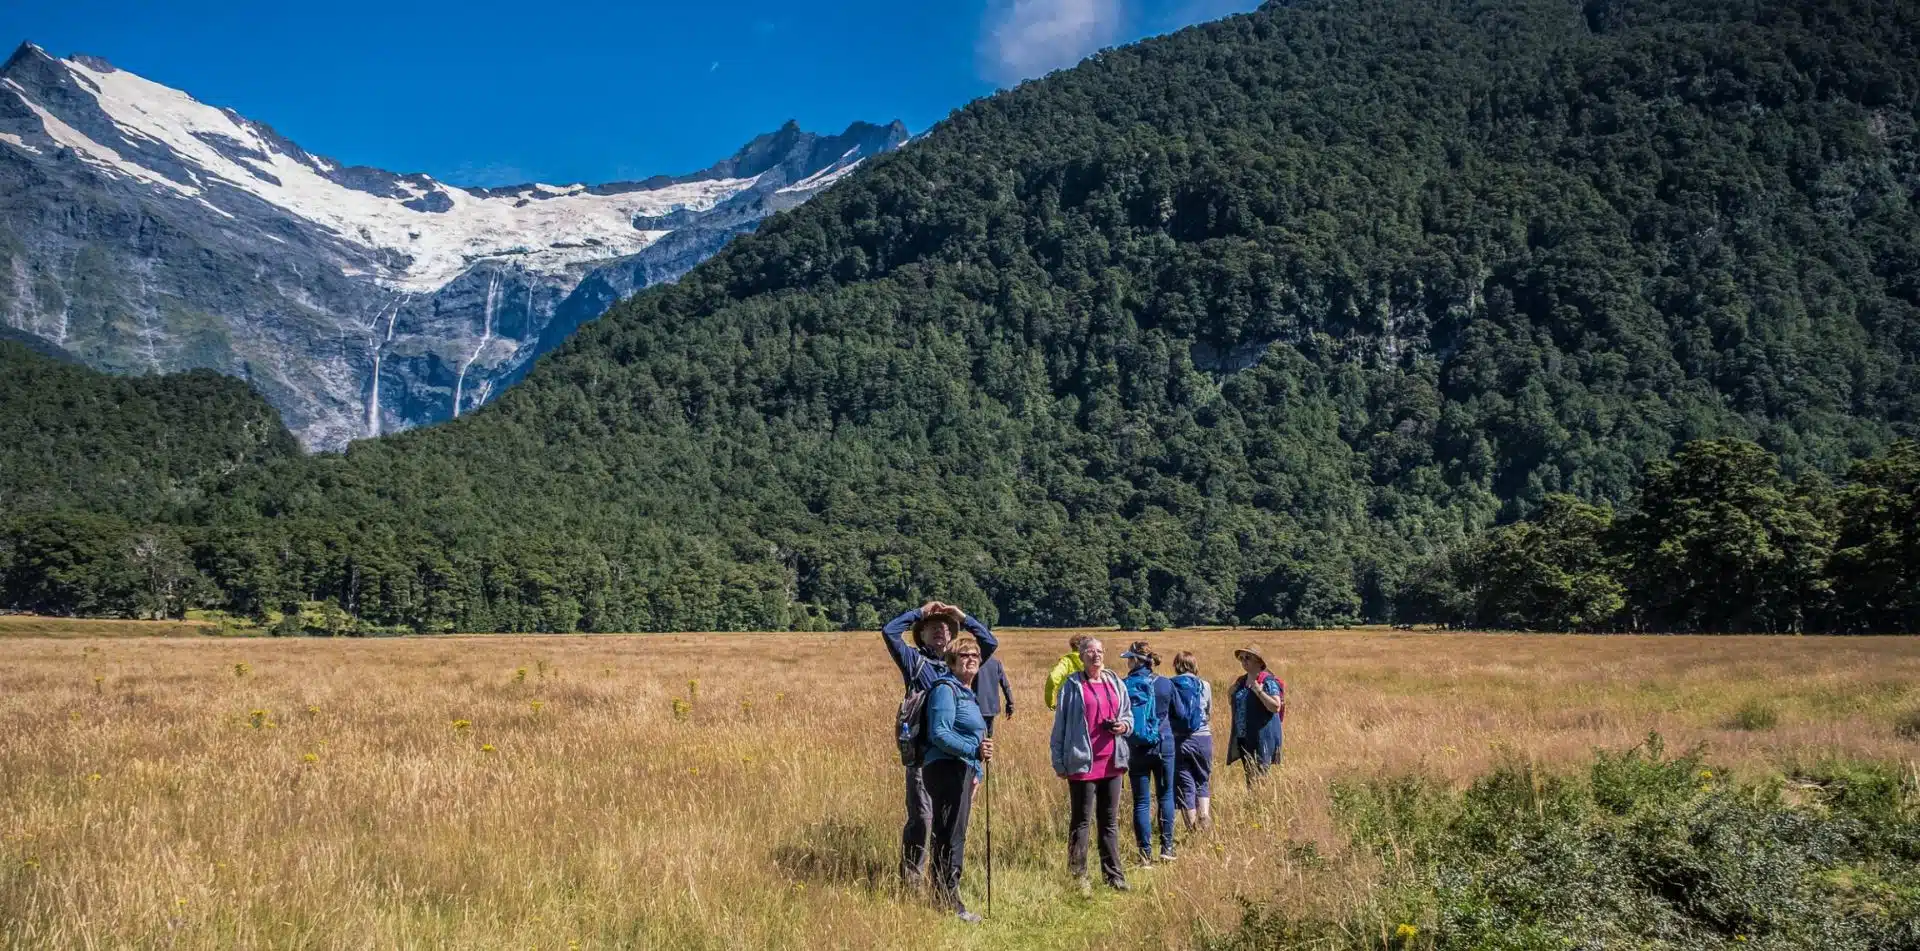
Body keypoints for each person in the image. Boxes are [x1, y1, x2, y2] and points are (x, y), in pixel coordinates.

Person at [882, 601, 999, 887]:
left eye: (946, 628)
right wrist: (919, 613)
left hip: (958, 754)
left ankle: (943, 879)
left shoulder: (958, 663)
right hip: (925, 752)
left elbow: (989, 642)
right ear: (920, 635)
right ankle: (912, 880)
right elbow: (889, 631)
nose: (941, 631)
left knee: (949, 819)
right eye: (933, 628)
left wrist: (963, 616)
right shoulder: (914, 661)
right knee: (922, 816)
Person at [1049, 636, 1133, 894]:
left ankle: (1114, 876)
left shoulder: (1115, 682)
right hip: (1082, 763)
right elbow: (1060, 725)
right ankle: (1078, 877)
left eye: (1099, 651)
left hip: (1112, 761)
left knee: (1109, 821)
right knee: (1081, 821)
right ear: (1081, 656)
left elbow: (1128, 715)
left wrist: (1124, 726)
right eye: (1090, 652)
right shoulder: (1072, 686)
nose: (1096, 656)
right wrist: (1059, 761)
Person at [923, 636, 995, 923]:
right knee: (950, 835)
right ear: (951, 661)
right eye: (965, 654)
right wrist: (973, 750)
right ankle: (949, 902)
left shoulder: (967, 692)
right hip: (945, 768)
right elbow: (939, 733)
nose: (972, 658)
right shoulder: (945, 690)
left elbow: (972, 736)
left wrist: (976, 770)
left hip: (962, 769)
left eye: (975, 654)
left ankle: (945, 897)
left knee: (954, 833)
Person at [1121, 641, 1187, 863]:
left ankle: (1144, 855)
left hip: (1136, 747)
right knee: (1165, 796)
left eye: (1129, 658)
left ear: (1136, 660)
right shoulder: (1165, 684)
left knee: (1141, 801)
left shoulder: (1124, 684)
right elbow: (1181, 714)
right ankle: (1167, 848)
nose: (1127, 662)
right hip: (1164, 744)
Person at [1226, 645, 1285, 783]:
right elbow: (1232, 701)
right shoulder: (1241, 681)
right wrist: (1230, 692)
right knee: (1250, 777)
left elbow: (1275, 706)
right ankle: (1254, 801)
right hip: (1244, 737)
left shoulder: (1267, 681)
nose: (1243, 661)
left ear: (1258, 661)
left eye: (1248, 658)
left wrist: (1259, 691)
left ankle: (1260, 802)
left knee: (1260, 778)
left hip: (1262, 737)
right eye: (1241, 658)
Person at [1169, 651, 1214, 831]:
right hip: (1203, 737)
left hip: (1179, 740)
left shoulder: (1170, 685)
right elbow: (1208, 713)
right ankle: (1204, 815)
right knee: (1202, 780)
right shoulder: (1205, 685)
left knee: (1185, 784)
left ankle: (1192, 830)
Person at [1044, 634, 1090, 710]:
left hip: (1069, 703)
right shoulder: (1093, 661)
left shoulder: (1066, 661)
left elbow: (1053, 678)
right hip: (1090, 701)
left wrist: (1051, 703)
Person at [974, 652, 1015, 732]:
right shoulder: (996, 662)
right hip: (991, 708)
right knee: (988, 738)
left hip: (975, 707)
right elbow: (1006, 685)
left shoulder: (973, 662)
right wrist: (1010, 704)